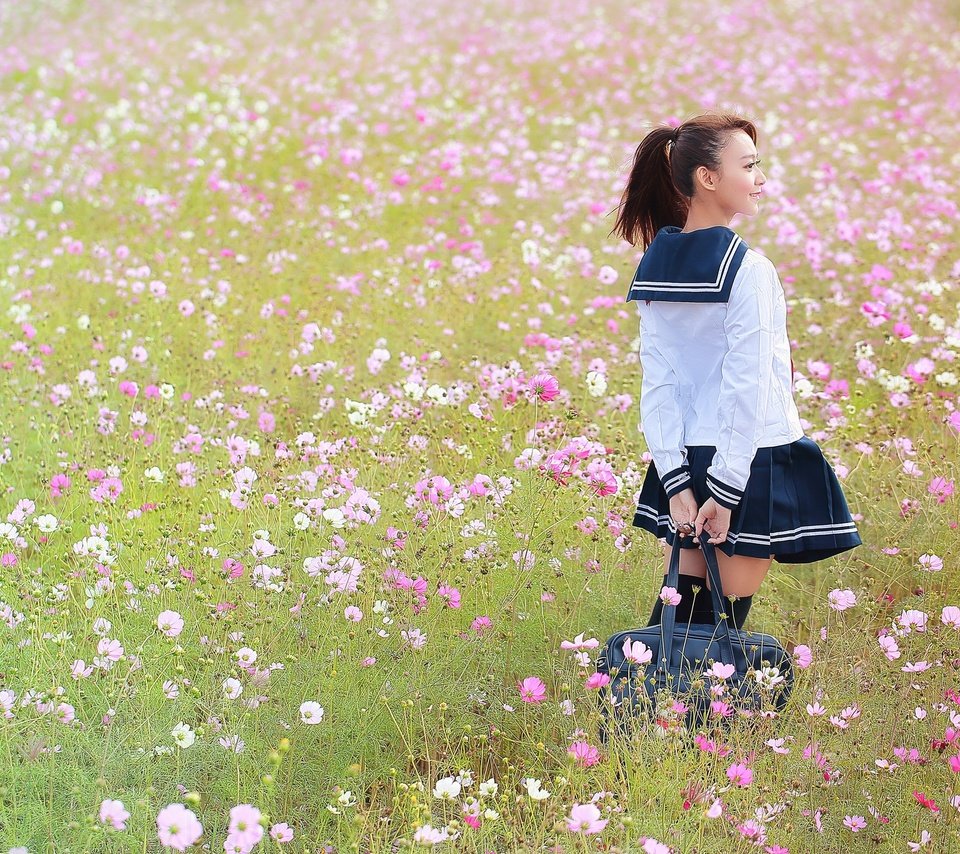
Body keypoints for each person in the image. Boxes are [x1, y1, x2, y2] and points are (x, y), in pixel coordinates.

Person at [610, 112, 862, 633]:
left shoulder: (655, 267)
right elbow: (749, 387)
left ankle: (634, 705)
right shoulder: (749, 269)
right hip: (748, 457)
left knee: (677, 623)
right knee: (718, 633)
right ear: (707, 177)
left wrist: (676, 482)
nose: (761, 179)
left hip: (686, 456)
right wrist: (724, 493)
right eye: (749, 166)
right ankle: (685, 713)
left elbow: (659, 386)